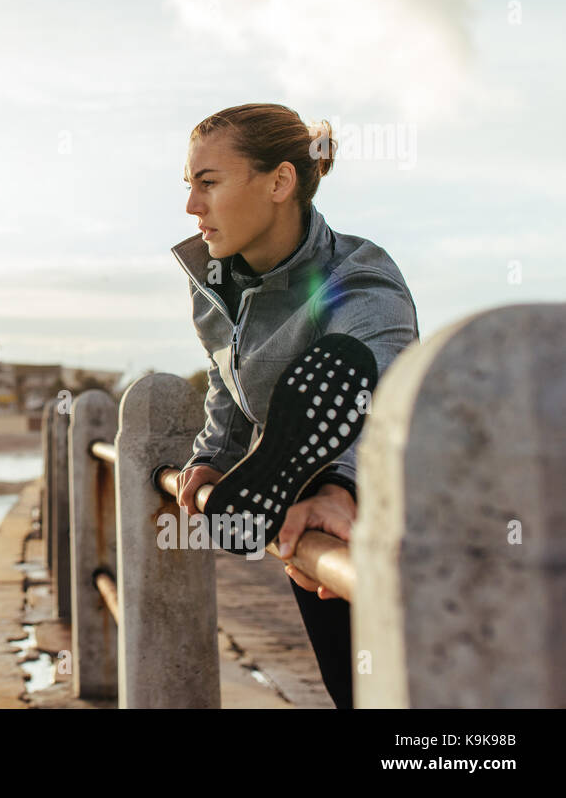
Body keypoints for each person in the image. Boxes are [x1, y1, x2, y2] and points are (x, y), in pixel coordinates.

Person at [170, 103, 420, 709]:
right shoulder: (214, 280)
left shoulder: (358, 276)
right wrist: (212, 459)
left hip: (389, 504)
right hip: (300, 508)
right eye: (188, 186)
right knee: (351, 690)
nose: (191, 207)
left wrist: (341, 486)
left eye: (208, 183)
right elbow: (224, 375)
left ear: (280, 182)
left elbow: (380, 379)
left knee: (420, 698)